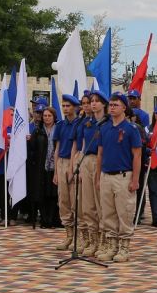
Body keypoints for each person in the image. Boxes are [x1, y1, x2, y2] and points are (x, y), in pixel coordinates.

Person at [95, 92, 143, 263]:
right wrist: (98, 177)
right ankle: (111, 245)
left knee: (124, 212)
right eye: (110, 105)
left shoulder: (131, 129)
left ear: (124, 107)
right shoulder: (104, 128)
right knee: (108, 214)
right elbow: (100, 154)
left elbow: (137, 155)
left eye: (116, 105)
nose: (112, 107)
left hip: (124, 176)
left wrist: (135, 179)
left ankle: (124, 247)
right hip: (106, 175)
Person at [77, 90, 107, 257]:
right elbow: (82, 144)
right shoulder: (87, 122)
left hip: (100, 160)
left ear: (104, 104)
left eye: (97, 101)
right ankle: (92, 239)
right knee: (88, 203)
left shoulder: (106, 123)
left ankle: (103, 240)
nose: (93, 103)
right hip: (86, 160)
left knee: (100, 202)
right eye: (91, 101)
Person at [52, 94, 82, 250]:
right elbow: (57, 148)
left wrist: (71, 169)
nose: (65, 109)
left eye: (68, 106)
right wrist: (56, 171)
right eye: (63, 106)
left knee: (75, 200)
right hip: (62, 162)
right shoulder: (60, 125)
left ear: (75, 107)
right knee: (63, 201)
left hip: (73, 162)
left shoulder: (78, 124)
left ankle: (79, 237)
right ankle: (68, 235)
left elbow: (75, 147)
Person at [126, 90, 151, 220]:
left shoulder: (144, 115)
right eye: (129, 98)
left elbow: (146, 134)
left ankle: (139, 210)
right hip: (126, 157)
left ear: (139, 99)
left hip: (139, 152)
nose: (131, 100)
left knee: (139, 183)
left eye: (133, 98)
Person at [36, 105, 60, 227]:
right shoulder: (38, 130)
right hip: (42, 166)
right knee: (43, 194)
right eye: (44, 115)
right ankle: (44, 219)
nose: (46, 118)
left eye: (49, 116)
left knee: (53, 194)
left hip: (55, 166)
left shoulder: (58, 129)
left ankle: (53, 219)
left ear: (54, 117)